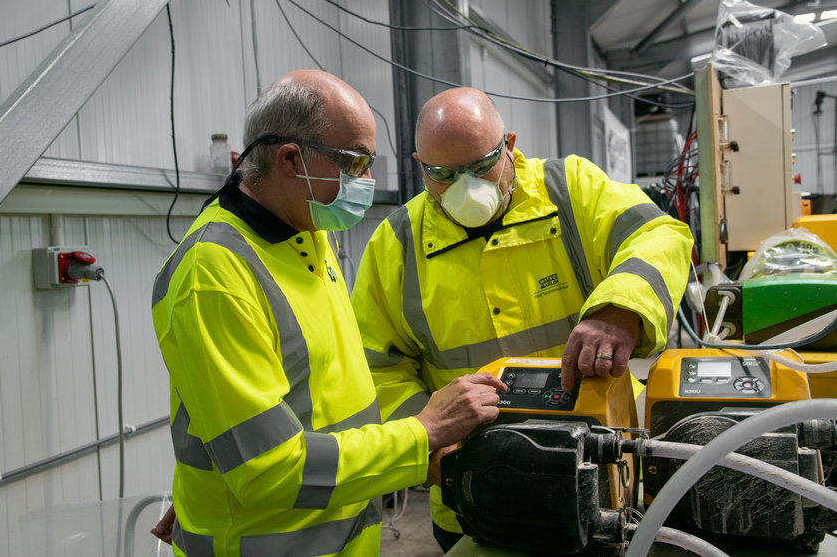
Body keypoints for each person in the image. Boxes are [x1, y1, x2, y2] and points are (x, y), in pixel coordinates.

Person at [150, 71, 507, 556]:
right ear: (290, 159)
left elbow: (319, 399)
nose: (365, 181)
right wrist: (421, 434)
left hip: (340, 536)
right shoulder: (213, 275)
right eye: (355, 162)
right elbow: (269, 470)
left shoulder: (307, 235)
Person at [350, 87, 693, 551]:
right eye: (443, 174)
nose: (464, 187)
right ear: (419, 164)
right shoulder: (397, 244)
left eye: (479, 166)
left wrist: (620, 310)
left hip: (604, 473)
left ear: (509, 144)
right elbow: (376, 367)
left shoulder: (569, 191)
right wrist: (430, 439)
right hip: (474, 491)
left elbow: (659, 233)